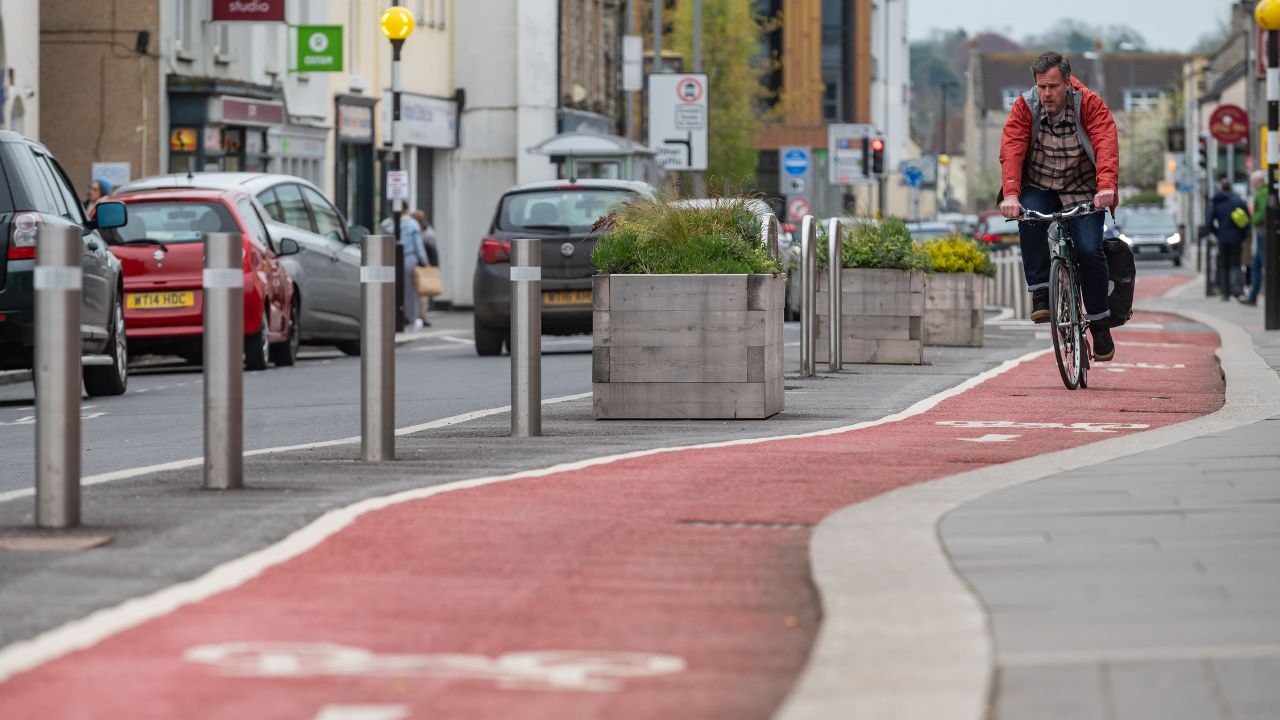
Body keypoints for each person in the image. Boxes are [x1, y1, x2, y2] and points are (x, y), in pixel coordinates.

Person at [998, 51, 1120, 361]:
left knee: (1090, 248)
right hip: (1040, 183)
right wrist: (1011, 195)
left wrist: (1106, 187)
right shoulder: (1026, 106)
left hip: (1082, 188)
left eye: (1053, 86)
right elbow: (1011, 147)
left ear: (1068, 82)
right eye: (1042, 87)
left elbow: (1106, 143)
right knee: (1029, 218)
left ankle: (1099, 322)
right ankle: (1041, 289)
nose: (1047, 93)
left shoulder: (1089, 103)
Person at [379, 210, 430, 330]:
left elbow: (382, 242)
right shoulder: (412, 224)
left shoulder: (385, 224)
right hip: (409, 258)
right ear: (406, 210)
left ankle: (390, 319)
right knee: (410, 292)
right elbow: (418, 245)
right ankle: (412, 320)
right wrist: (424, 261)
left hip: (390, 258)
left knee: (390, 289)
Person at [1205, 177, 1249, 302]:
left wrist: (1217, 233)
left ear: (1220, 188)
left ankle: (1225, 293)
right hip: (1236, 237)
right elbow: (1246, 220)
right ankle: (1236, 288)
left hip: (1223, 238)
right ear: (1231, 187)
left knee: (1224, 265)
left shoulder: (1216, 202)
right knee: (1236, 263)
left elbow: (1209, 222)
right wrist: (1242, 235)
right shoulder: (1237, 200)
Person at [410, 209, 439, 327]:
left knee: (415, 293)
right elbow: (433, 250)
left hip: (416, 263)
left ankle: (416, 316)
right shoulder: (429, 232)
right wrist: (431, 264)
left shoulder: (417, 231)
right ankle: (421, 316)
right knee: (422, 294)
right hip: (422, 265)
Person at [1243, 170, 1266, 306]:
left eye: (1253, 183)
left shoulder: (1263, 194)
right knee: (1256, 265)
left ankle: (1253, 297)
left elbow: (1261, 215)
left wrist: (1252, 217)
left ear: (1258, 182)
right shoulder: (1261, 193)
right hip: (1262, 234)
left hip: (1263, 234)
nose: (1252, 185)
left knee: (1263, 265)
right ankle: (1252, 297)